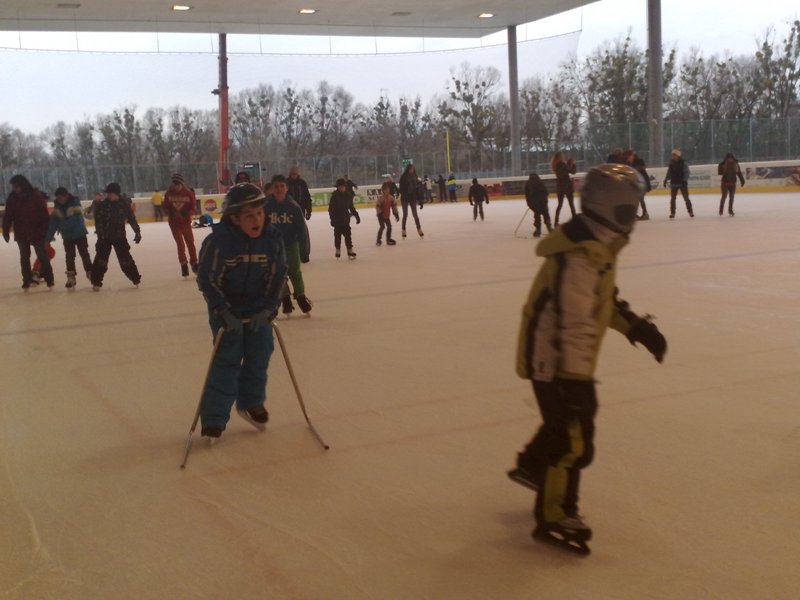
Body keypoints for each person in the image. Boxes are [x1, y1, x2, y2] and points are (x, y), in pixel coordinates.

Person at [508, 163, 667, 554]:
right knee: (574, 440)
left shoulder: (597, 245)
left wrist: (637, 328)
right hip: (552, 361)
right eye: (632, 207)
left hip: (557, 359)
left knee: (565, 425)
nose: (636, 215)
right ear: (614, 207)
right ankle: (554, 514)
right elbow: (575, 325)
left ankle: (533, 465)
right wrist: (576, 382)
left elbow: (603, 302)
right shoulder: (581, 257)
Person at [195, 183, 288, 439]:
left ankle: (250, 402)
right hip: (226, 308)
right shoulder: (218, 243)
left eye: (260, 213)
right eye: (249, 215)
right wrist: (223, 311)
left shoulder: (272, 240)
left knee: (260, 352)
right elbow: (207, 279)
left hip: (258, 307)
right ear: (235, 218)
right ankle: (214, 418)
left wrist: (268, 309)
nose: (257, 220)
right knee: (227, 359)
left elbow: (278, 276)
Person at [264, 174, 313, 316]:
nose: (279, 189)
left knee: (295, 272)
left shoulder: (293, 207)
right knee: (278, 274)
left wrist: (304, 250)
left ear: (287, 188)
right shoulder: (266, 206)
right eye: (276, 186)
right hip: (273, 247)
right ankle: (285, 298)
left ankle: (301, 296)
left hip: (291, 245)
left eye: (282, 186)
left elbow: (302, 229)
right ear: (272, 189)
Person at [2, 174, 54, 290]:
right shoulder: (12, 198)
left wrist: (46, 231)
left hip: (37, 231)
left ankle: (49, 278)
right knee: (24, 257)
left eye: (16, 186)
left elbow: (44, 215)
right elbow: (8, 215)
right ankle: (26, 280)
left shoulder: (35, 196)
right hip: (21, 232)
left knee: (42, 255)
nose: (14, 189)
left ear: (23, 185)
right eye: (13, 186)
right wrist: (5, 230)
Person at [90, 182, 142, 290]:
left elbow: (131, 218)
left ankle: (135, 278)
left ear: (116, 193)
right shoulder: (103, 205)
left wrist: (137, 231)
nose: (109, 196)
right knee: (101, 260)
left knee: (125, 259)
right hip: (105, 237)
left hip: (119, 236)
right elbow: (98, 221)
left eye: (111, 193)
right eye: (108, 194)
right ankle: (96, 281)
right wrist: (100, 233)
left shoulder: (124, 205)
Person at [46, 186, 93, 288]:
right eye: (58, 198)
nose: (60, 200)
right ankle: (71, 277)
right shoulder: (57, 209)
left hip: (80, 234)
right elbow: (52, 225)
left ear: (66, 196)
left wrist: (61, 225)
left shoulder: (75, 204)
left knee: (84, 254)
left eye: (61, 198)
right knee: (69, 257)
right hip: (67, 237)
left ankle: (90, 273)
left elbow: (76, 221)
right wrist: (48, 238)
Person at [162, 173, 198, 277]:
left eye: (178, 184)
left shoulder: (189, 194)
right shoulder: (168, 194)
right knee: (180, 244)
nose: (177, 186)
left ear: (182, 184)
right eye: (175, 184)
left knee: (190, 243)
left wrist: (188, 213)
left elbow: (193, 208)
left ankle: (194, 263)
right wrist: (170, 212)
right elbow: (165, 208)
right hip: (174, 224)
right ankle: (183, 263)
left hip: (186, 223)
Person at [328, 178, 360, 259]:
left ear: (345, 187)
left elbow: (351, 207)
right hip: (337, 220)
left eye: (343, 186)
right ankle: (338, 249)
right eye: (340, 187)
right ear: (337, 187)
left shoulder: (348, 196)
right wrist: (332, 219)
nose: (342, 188)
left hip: (345, 219)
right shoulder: (334, 196)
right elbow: (331, 209)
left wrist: (356, 216)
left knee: (348, 236)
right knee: (337, 236)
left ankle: (350, 250)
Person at [663, 149, 694, 219]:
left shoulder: (683, 163)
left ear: (678, 155)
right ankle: (672, 213)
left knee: (686, 198)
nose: (673, 156)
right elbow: (669, 173)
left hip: (682, 183)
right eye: (672, 155)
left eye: (675, 155)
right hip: (674, 183)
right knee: (673, 199)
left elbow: (687, 172)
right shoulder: (671, 164)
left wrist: (684, 180)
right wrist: (665, 180)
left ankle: (690, 211)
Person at [622, 149, 652, 220]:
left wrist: (634, 168)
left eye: (628, 157)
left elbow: (641, 168)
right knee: (636, 198)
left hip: (643, 183)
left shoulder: (639, 161)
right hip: (636, 183)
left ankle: (645, 214)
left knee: (640, 198)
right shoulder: (628, 163)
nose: (628, 159)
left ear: (632, 155)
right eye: (627, 157)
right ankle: (637, 214)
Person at [399, 163, 424, 238]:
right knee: (405, 214)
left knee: (415, 214)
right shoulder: (403, 177)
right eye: (410, 169)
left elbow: (418, 190)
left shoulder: (415, 177)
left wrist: (420, 200)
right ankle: (403, 229)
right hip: (405, 198)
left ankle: (419, 229)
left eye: (413, 169)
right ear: (408, 169)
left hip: (412, 198)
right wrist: (406, 192)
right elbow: (400, 189)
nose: (412, 170)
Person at [551, 152, 576, 227]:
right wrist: (573, 164)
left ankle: (556, 222)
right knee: (571, 204)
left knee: (559, 205)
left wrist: (568, 163)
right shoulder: (563, 165)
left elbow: (565, 171)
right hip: (567, 187)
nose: (563, 157)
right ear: (560, 157)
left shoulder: (555, 166)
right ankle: (575, 220)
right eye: (562, 156)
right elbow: (573, 172)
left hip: (560, 187)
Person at [524, 173, 552, 238]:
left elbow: (527, 196)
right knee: (546, 214)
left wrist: (529, 204)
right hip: (543, 202)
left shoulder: (528, 184)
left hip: (535, 203)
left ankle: (538, 231)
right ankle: (549, 228)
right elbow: (546, 192)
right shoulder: (540, 182)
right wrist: (545, 201)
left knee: (537, 216)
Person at [375, 181, 400, 246]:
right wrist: (380, 214)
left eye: (388, 190)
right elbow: (377, 207)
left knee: (389, 226)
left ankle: (388, 239)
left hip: (386, 215)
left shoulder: (391, 198)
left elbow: (394, 206)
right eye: (385, 190)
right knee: (382, 227)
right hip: (381, 215)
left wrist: (396, 214)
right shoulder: (381, 198)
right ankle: (378, 240)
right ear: (383, 191)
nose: (387, 191)